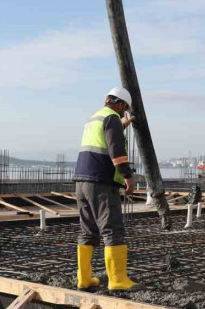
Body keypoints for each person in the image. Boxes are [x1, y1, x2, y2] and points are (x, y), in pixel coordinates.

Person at [73, 87, 137, 291]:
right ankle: (118, 280)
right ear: (119, 104)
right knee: (112, 229)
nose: (123, 113)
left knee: (88, 230)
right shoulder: (112, 119)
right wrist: (128, 176)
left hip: (82, 182)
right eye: (124, 109)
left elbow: (102, 140)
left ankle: (83, 279)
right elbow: (116, 152)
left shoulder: (95, 118)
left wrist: (122, 126)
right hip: (101, 182)